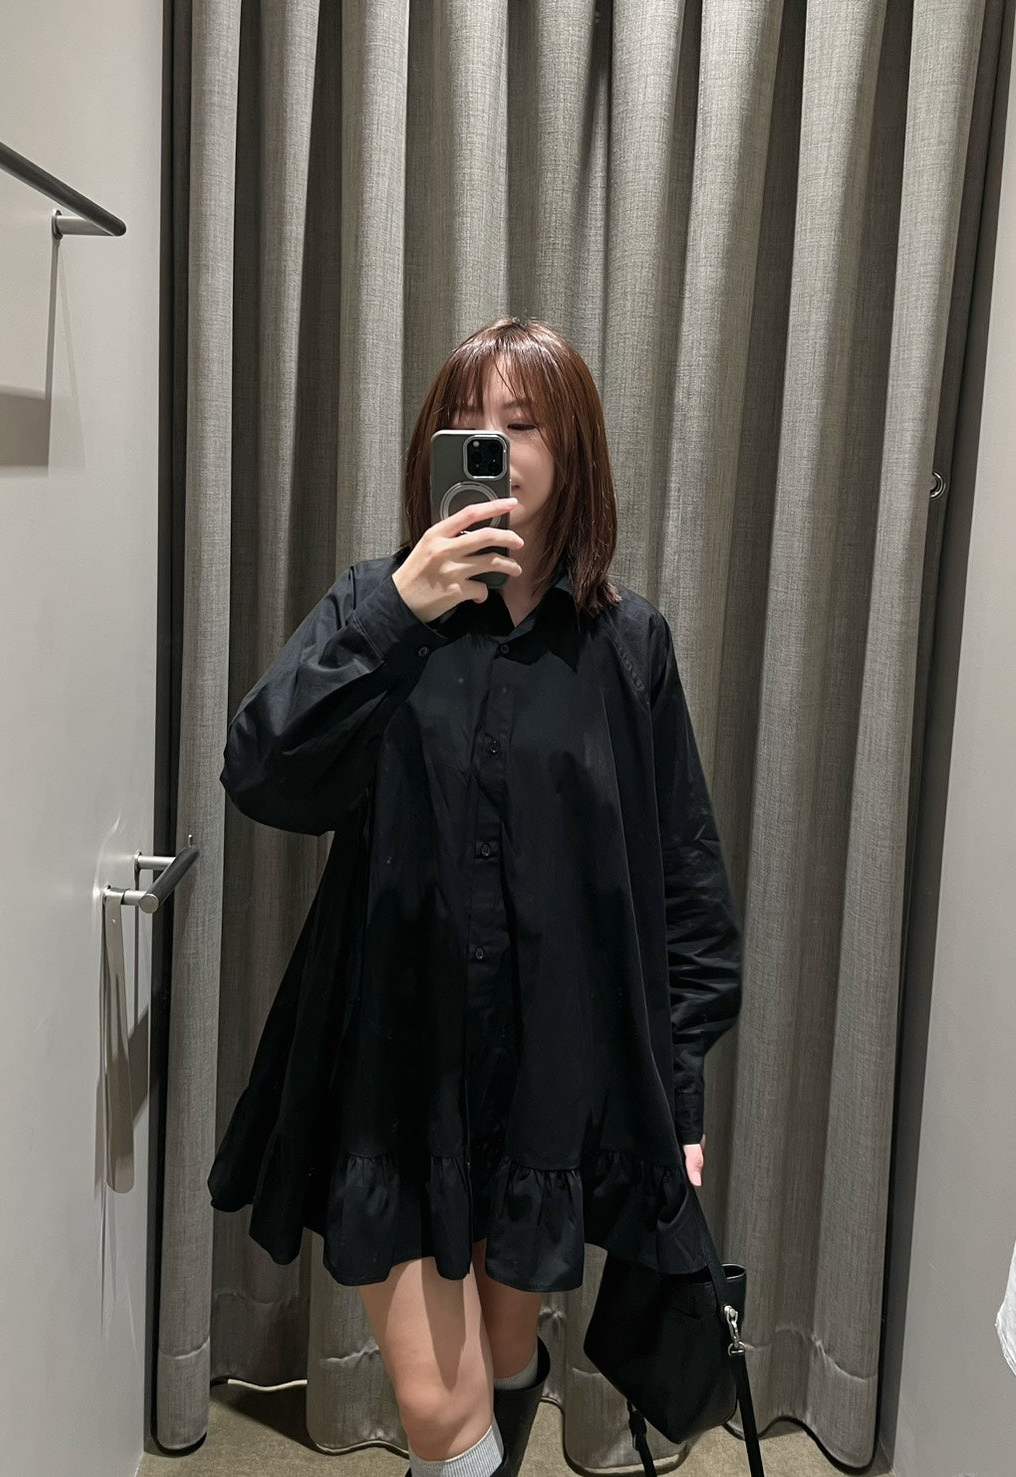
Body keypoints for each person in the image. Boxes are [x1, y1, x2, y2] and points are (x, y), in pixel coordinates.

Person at [207, 317, 743, 1477]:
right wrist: (397, 613)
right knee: (442, 1419)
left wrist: (680, 1096)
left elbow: (685, 888)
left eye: (519, 423)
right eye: (465, 423)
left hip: (548, 1087)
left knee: (501, 1367)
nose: (488, 443)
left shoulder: (627, 647)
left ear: (571, 449)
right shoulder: (378, 607)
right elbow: (261, 772)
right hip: (396, 1076)